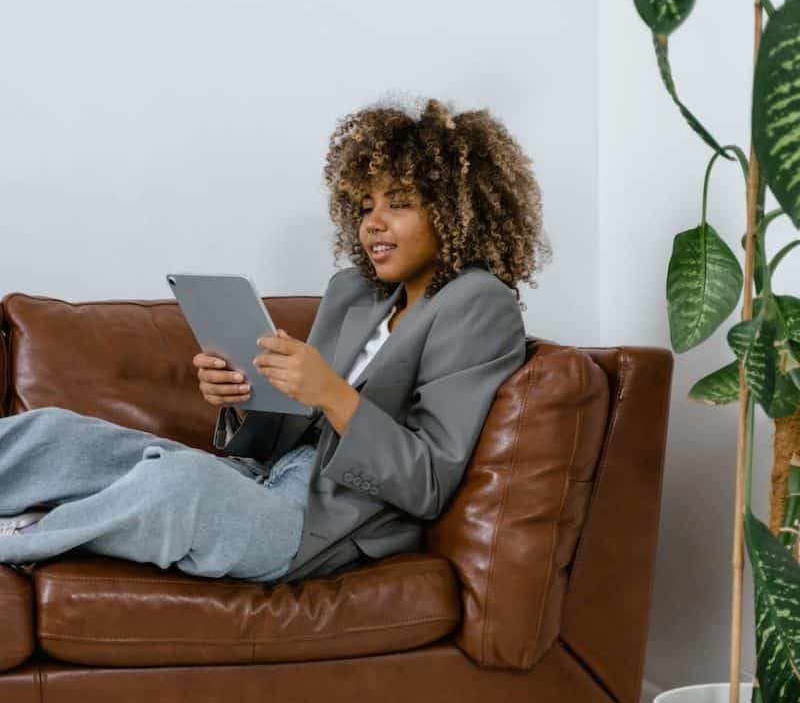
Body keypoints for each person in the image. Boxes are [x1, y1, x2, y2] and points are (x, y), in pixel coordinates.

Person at [0, 97, 550, 583]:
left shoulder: (478, 304)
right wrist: (242, 398)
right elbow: (285, 434)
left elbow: (428, 482)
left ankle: (27, 533)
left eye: (398, 203)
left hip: (319, 525)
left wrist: (332, 393)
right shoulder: (354, 293)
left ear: (455, 209)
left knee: (176, 483)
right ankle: (58, 505)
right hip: (257, 481)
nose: (373, 224)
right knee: (54, 433)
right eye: (365, 207)